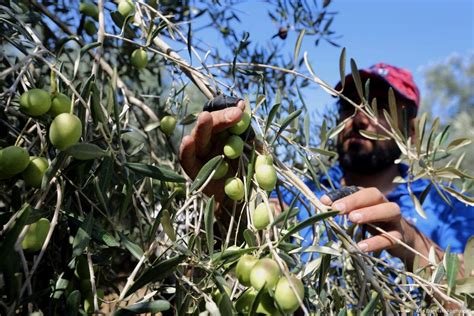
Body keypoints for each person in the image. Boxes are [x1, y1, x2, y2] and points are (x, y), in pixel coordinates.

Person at [179, 62, 474, 274]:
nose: (359, 118)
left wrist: (411, 243)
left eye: (378, 107)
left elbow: (465, 297)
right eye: (349, 106)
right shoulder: (301, 195)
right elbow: (246, 246)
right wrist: (227, 202)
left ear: (410, 131)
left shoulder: (454, 209)